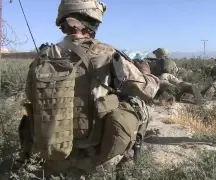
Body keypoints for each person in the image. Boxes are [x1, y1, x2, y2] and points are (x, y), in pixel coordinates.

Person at [18, 0, 160, 177]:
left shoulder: (43, 58)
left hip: (53, 157)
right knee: (137, 108)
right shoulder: (106, 52)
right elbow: (149, 91)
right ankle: (126, 168)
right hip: (95, 160)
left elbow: (31, 96)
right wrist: (146, 72)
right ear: (92, 21)